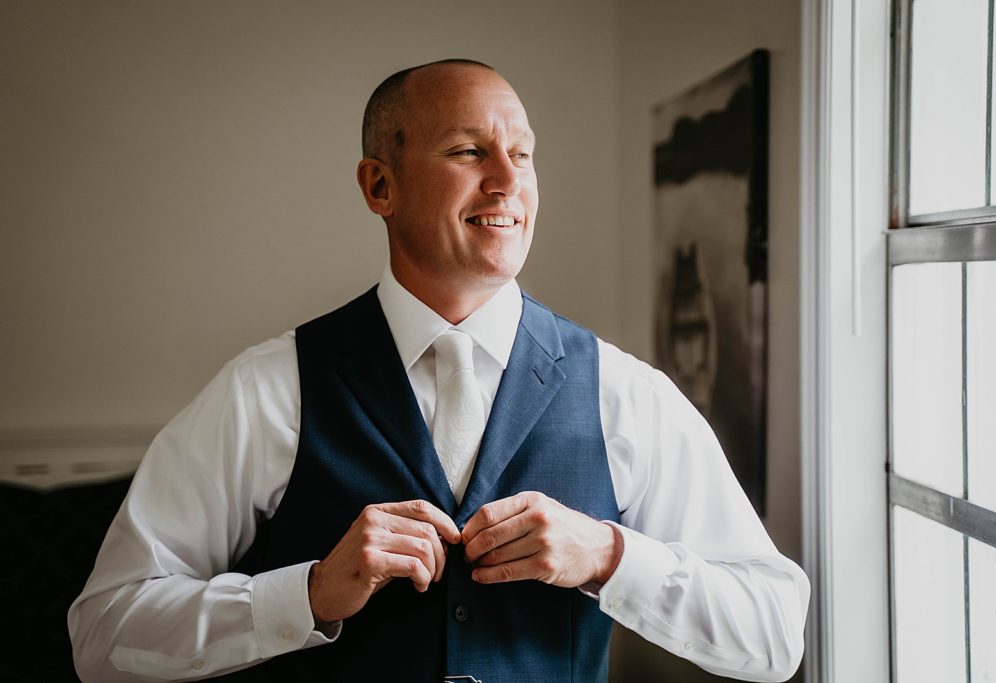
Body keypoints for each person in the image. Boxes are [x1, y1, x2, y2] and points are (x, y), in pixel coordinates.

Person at [69, 59, 809, 682]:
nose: (506, 180)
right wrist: (309, 593)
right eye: (467, 151)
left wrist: (608, 556)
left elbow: (774, 631)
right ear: (379, 186)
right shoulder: (268, 390)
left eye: (521, 154)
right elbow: (103, 631)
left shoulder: (625, 394)